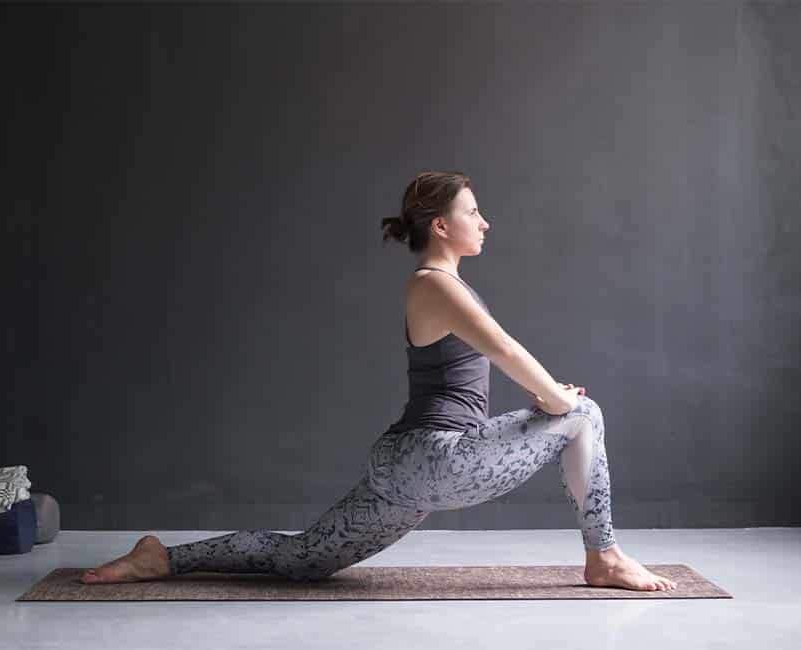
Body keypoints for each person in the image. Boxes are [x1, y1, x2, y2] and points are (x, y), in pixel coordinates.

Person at [82, 170, 676, 592]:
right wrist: (556, 399)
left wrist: (549, 399)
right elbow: (505, 351)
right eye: (474, 212)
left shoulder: (441, 285)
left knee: (303, 559)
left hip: (402, 466)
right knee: (585, 415)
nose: (485, 222)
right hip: (438, 458)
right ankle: (605, 557)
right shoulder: (434, 283)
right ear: (441, 225)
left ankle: (162, 560)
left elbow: (487, 361)